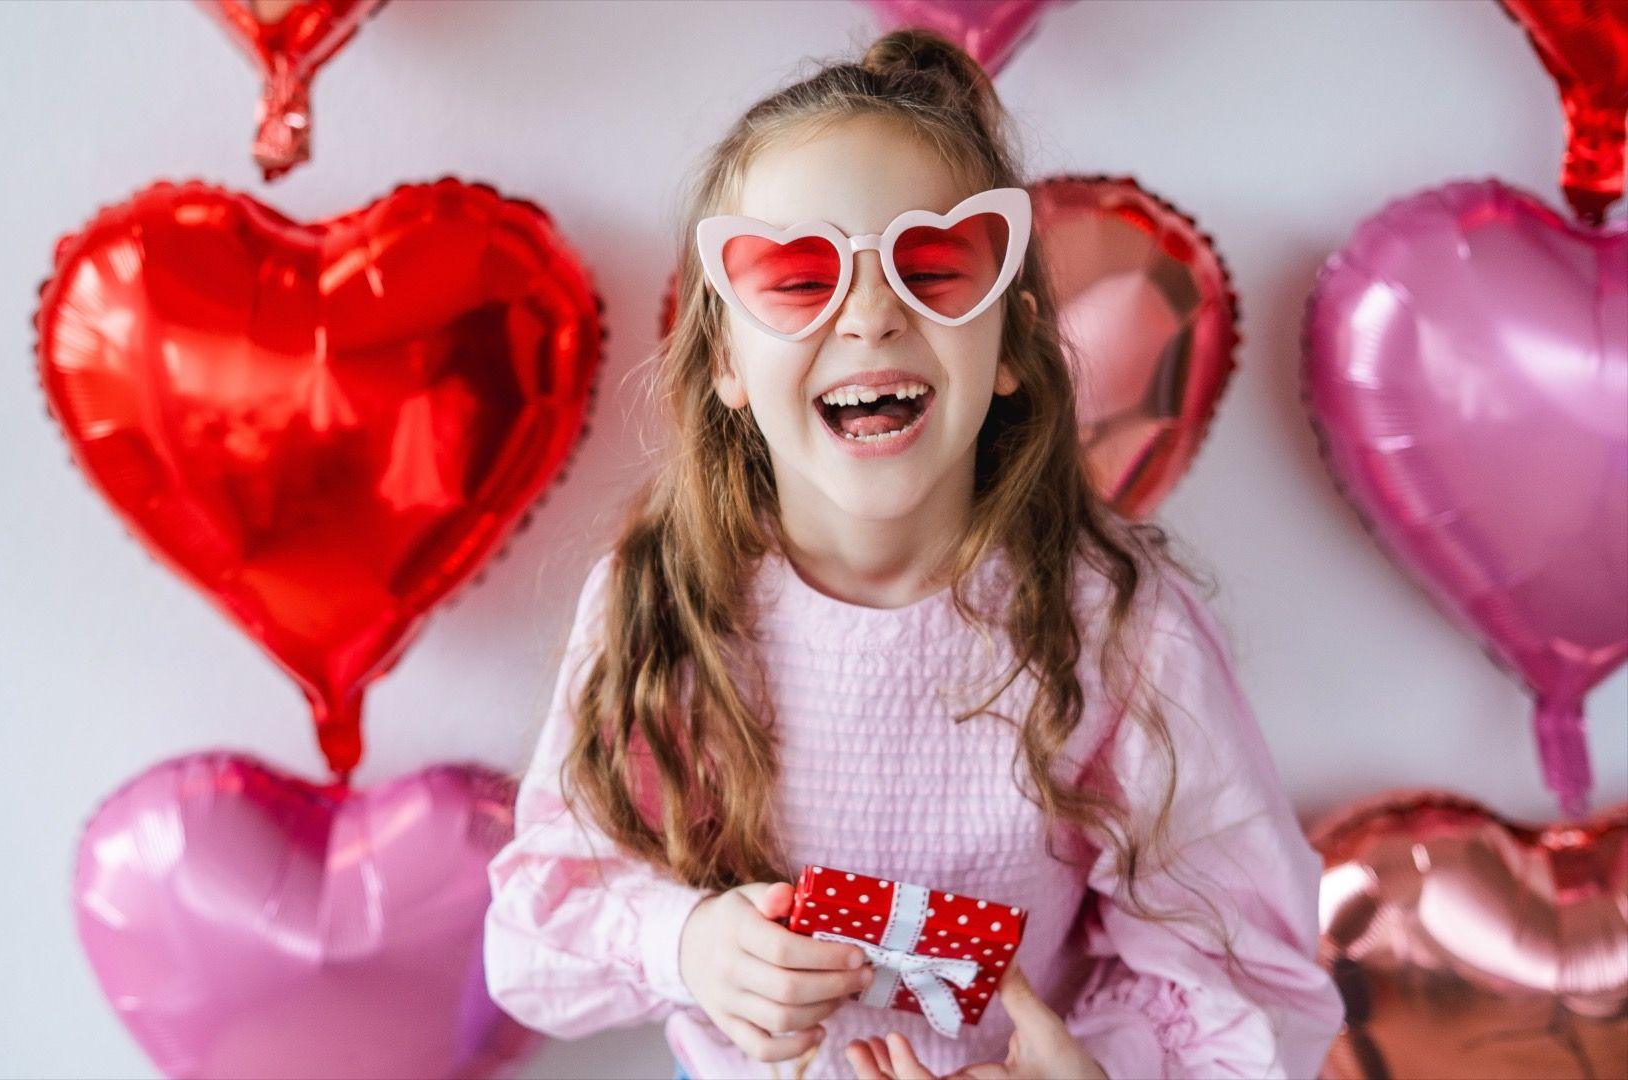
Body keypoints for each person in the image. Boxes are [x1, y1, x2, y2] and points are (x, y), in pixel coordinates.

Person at [482, 25, 1344, 1080]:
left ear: (1013, 347)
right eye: (799, 278)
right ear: (726, 364)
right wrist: (687, 944)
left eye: (934, 268)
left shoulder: (1115, 630)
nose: (871, 314)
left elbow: (1248, 976)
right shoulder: (666, 601)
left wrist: (1093, 1064)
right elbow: (532, 933)